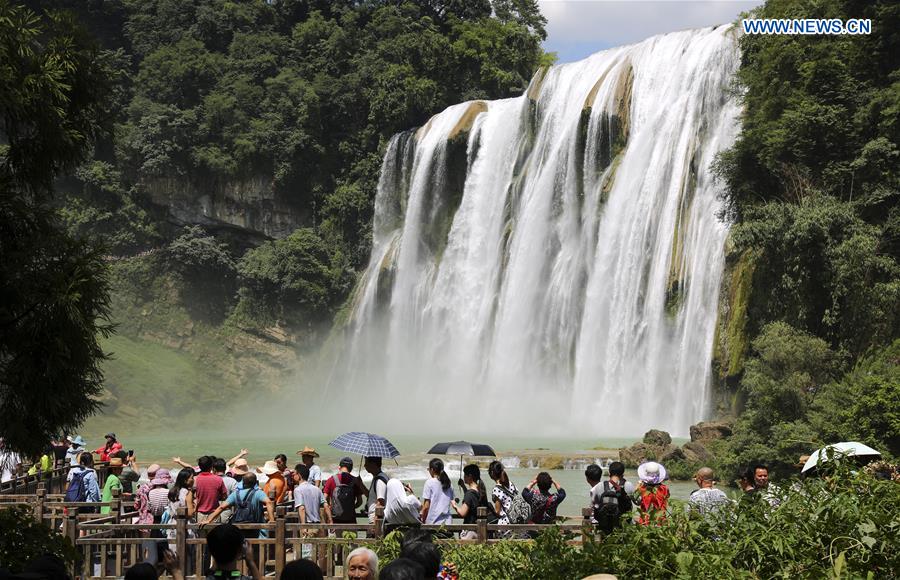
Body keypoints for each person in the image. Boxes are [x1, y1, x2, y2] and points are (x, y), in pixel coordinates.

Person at [201, 473, 275, 539]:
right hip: (256, 528)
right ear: (255, 483)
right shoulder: (259, 493)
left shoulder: (235, 494)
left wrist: (209, 520)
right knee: (256, 550)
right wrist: (271, 519)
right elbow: (268, 502)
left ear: (243, 483)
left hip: (239, 527)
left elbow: (222, 507)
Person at [293, 464, 326, 568]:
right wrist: (329, 521)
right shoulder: (317, 489)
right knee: (320, 554)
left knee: (307, 556)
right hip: (318, 525)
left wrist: (303, 526)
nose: (293, 476)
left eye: (294, 473)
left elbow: (301, 508)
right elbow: (325, 505)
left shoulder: (298, 490)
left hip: (308, 525)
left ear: (299, 475)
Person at [593, 461, 634, 533]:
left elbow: (595, 506)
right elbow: (636, 502)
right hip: (623, 526)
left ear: (609, 473)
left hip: (604, 526)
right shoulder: (628, 485)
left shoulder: (599, 486)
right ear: (623, 474)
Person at [323, 457, 366, 524]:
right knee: (351, 535)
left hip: (335, 520)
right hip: (351, 519)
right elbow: (360, 502)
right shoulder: (355, 481)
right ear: (351, 469)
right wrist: (349, 508)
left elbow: (324, 499)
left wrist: (331, 508)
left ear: (339, 467)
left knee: (336, 535)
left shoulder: (331, 480)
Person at [451, 464, 486, 540]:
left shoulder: (470, 494)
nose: (464, 477)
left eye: (465, 475)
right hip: (478, 529)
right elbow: (471, 499)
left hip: (469, 530)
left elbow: (462, 513)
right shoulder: (479, 490)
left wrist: (454, 505)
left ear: (470, 476)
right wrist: (463, 486)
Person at [194, 456, 227, 525]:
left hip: (200, 513)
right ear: (212, 466)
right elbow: (224, 496)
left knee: (201, 535)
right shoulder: (218, 479)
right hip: (214, 513)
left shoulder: (195, 479)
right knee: (215, 535)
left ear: (199, 467)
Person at [634, 461, 669, 526]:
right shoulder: (665, 489)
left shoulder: (642, 489)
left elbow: (635, 498)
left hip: (645, 521)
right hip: (660, 521)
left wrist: (639, 482)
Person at [421, 458, 453, 525]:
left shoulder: (429, 483)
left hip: (434, 523)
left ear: (432, 469)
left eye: (429, 469)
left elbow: (426, 506)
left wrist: (423, 520)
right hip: (448, 523)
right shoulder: (449, 484)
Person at [364, 456, 389, 524]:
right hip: (377, 520)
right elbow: (372, 497)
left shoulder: (379, 481)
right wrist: (361, 485)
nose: (364, 465)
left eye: (366, 462)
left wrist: (375, 523)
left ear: (373, 464)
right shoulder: (377, 477)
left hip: (377, 521)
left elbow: (380, 502)